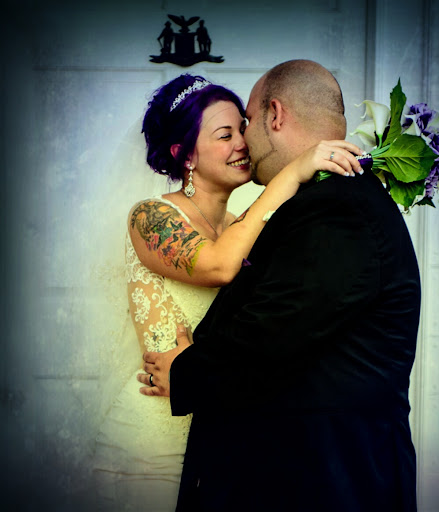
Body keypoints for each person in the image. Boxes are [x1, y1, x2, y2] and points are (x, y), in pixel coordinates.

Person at [142, 60, 421, 511]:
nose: (243, 140)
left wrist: (184, 372)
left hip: (328, 485)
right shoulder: (324, 201)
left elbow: (270, 332)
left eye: (247, 122)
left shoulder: (339, 209)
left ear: (275, 115)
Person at [93, 73, 363, 511]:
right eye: (225, 135)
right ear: (185, 155)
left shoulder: (243, 224)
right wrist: (293, 172)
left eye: (243, 128)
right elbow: (217, 265)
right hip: (149, 445)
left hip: (219, 443)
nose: (243, 143)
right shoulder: (150, 217)